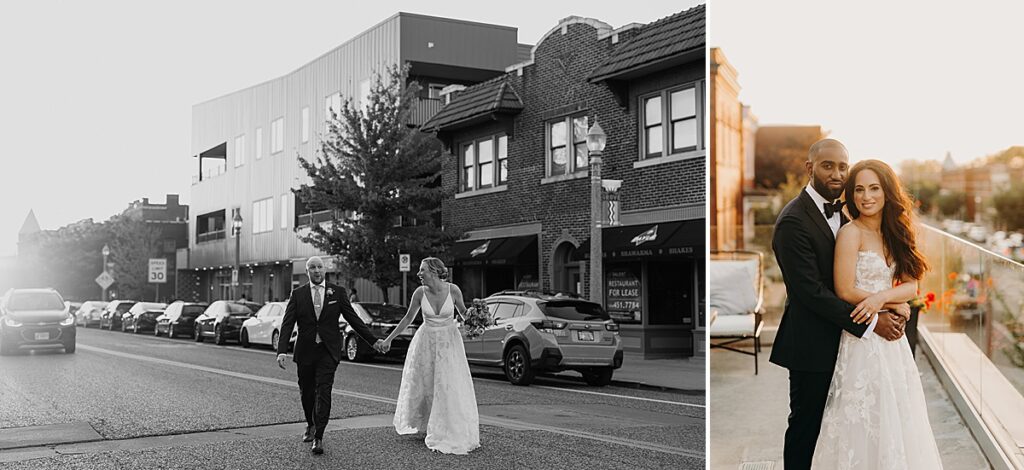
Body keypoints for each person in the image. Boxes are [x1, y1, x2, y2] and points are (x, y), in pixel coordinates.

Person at [770, 139, 909, 469]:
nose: (837, 174)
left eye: (842, 167)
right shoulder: (793, 220)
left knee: (853, 427)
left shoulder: (850, 214)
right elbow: (811, 293)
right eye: (827, 165)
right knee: (808, 427)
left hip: (850, 345)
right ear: (810, 168)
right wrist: (875, 321)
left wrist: (893, 302)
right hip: (813, 344)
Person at [811, 159, 942, 468]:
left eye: (873, 188)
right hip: (863, 339)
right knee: (864, 417)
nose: (866, 196)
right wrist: (888, 304)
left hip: (893, 344)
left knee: (897, 415)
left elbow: (911, 286)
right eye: (858, 189)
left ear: (887, 193)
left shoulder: (895, 233)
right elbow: (844, 290)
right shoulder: (850, 233)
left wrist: (887, 298)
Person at [275, 256, 385, 455]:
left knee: (323, 391)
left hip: (328, 350)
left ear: (324, 270)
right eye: (312, 268)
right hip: (306, 351)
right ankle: (311, 424)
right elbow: (287, 323)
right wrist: (282, 350)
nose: (316, 271)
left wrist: (373, 341)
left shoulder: (338, 292)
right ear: (307, 272)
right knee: (307, 393)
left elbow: (354, 319)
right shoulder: (298, 294)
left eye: (319, 267)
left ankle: (319, 436)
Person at [380, 257, 480, 454]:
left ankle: (449, 426)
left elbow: (464, 314)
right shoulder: (419, 293)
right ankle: (427, 422)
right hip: (426, 342)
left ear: (434, 271)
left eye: (422, 270)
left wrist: (478, 319)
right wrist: (389, 339)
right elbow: (408, 318)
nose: (418, 274)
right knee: (427, 383)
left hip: (448, 344)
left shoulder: (453, 290)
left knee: (447, 384)